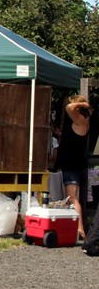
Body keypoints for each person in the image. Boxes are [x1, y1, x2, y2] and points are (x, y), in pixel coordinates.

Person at [54, 95, 91, 240]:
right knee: (75, 198)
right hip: (77, 164)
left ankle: (80, 229)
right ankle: (78, 227)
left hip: (73, 165)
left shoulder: (79, 119)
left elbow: (69, 108)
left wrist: (84, 104)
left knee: (72, 198)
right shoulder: (83, 120)